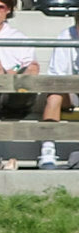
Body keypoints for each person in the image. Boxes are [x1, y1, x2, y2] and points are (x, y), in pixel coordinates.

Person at [38, 10, 79, 170]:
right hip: (69, 91)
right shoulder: (65, 37)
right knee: (54, 95)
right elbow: (57, 76)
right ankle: (47, 151)